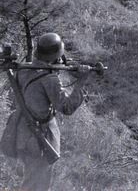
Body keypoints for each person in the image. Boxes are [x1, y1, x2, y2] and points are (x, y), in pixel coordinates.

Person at [13, 33, 88, 191]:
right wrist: (81, 81)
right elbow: (66, 108)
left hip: (22, 132)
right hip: (38, 139)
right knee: (37, 185)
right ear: (55, 56)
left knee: (30, 180)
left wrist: (56, 69)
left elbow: (37, 90)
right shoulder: (50, 80)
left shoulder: (24, 69)